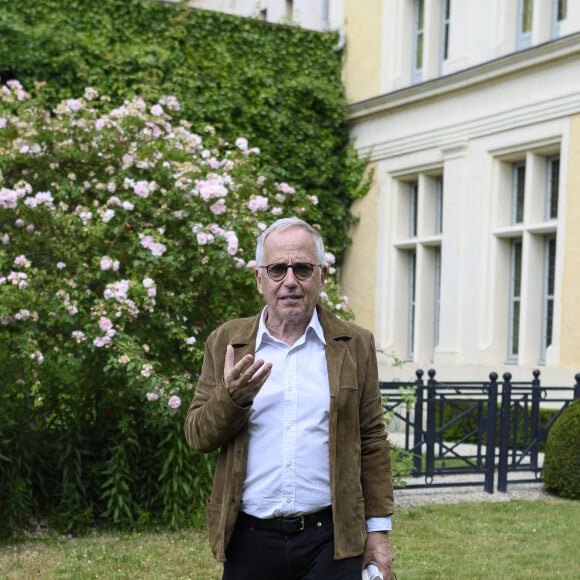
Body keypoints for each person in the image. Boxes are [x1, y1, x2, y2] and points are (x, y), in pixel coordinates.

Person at [184, 217, 395, 579]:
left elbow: (372, 439)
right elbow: (197, 436)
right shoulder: (227, 343)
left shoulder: (354, 344)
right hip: (250, 539)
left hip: (331, 539)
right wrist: (231, 399)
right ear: (259, 279)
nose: (291, 281)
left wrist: (378, 533)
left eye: (302, 268)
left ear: (322, 276)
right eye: (278, 269)